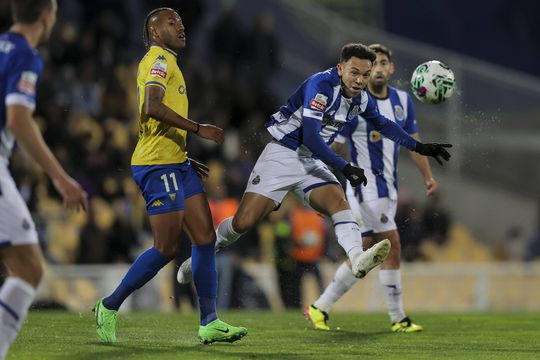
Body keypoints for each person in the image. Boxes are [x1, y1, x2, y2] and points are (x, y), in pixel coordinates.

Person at [177, 44, 451, 293]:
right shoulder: (320, 86)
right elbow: (310, 136)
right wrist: (344, 167)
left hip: (311, 161)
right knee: (243, 222)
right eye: (355, 72)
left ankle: (357, 258)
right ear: (341, 68)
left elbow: (382, 123)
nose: (360, 80)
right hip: (282, 155)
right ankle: (201, 254)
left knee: (338, 202)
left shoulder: (360, 97)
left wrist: (419, 147)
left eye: (365, 75)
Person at [93, 7, 247, 345]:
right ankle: (108, 305)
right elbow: (152, 105)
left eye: (182, 21)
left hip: (176, 162)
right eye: (172, 22)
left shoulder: (170, 61)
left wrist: (184, 154)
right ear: (154, 30)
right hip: (155, 166)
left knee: (205, 238)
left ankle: (209, 321)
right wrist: (198, 129)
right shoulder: (158, 61)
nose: (181, 26)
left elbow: (159, 120)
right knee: (167, 248)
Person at [306, 44, 438, 332]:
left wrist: (427, 175)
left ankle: (320, 307)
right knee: (392, 245)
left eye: (383, 63)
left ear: (390, 69)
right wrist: (321, 191)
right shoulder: (355, 102)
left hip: (388, 190)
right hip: (365, 189)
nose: (378, 68)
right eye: (373, 64)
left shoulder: (403, 101)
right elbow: (336, 146)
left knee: (365, 254)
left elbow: (411, 141)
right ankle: (398, 318)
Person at [0, 0, 88, 358]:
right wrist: (60, 178)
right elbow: (18, 120)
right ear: (46, 16)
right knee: (30, 268)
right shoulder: (25, 55)